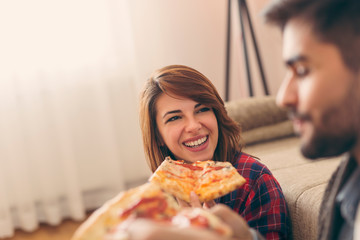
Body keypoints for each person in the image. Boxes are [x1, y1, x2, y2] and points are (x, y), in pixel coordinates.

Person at [136, 65, 291, 240]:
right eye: (175, 118)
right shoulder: (153, 200)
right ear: (158, 136)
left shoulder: (252, 180)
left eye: (202, 109)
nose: (194, 126)